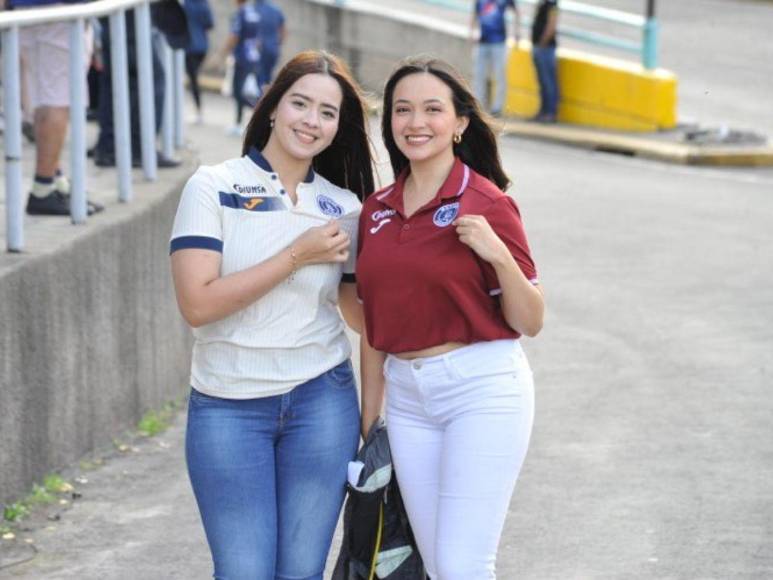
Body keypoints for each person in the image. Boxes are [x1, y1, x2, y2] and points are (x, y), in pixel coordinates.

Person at [170, 50, 375, 579]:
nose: (311, 121)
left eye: (327, 113)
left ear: (338, 128)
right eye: (300, 104)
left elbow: (359, 315)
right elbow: (198, 305)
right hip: (228, 405)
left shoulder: (345, 206)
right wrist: (296, 256)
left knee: (302, 574)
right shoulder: (212, 185)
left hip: (321, 403)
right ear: (272, 106)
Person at [356, 57, 545, 579]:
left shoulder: (488, 203)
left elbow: (531, 320)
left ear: (460, 122)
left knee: (464, 565)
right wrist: (370, 420)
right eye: (402, 110)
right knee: (439, 565)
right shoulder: (376, 210)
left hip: (481, 390)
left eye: (432, 110)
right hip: (409, 399)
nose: (416, 123)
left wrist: (498, 255)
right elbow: (373, 322)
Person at [7, 0, 103, 215]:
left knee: (43, 98)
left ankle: (54, 180)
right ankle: (43, 187)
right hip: (61, 11)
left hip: (25, 10)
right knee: (58, 100)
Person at [216, 0, 261, 136]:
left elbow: (234, 36)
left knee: (238, 91)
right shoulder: (254, 13)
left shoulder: (240, 14)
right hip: (252, 55)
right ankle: (247, 118)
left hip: (242, 57)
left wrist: (222, 54)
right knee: (245, 90)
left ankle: (242, 121)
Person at [470, 0, 520, 117]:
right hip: (482, 42)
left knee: (500, 74)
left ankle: (497, 107)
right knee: (478, 75)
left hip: (499, 43)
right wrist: (472, 32)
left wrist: (516, 32)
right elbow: (475, 14)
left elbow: (516, 12)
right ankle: (478, 105)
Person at [183, 0, 213, 125]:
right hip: (202, 46)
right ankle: (198, 110)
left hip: (189, 46)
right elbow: (210, 24)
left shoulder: (185, 3)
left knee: (193, 79)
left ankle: (198, 111)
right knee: (193, 78)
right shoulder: (204, 3)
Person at [531, 0, 559, 123]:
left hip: (545, 48)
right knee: (543, 82)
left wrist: (542, 42)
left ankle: (550, 113)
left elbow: (552, 25)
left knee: (549, 82)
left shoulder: (552, 4)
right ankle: (543, 111)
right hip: (539, 46)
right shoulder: (543, 3)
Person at [255, 0, 286, 90]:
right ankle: (266, 95)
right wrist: (277, 44)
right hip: (273, 49)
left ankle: (260, 96)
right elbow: (283, 32)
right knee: (268, 77)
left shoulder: (256, 8)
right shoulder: (277, 10)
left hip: (260, 49)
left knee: (259, 76)